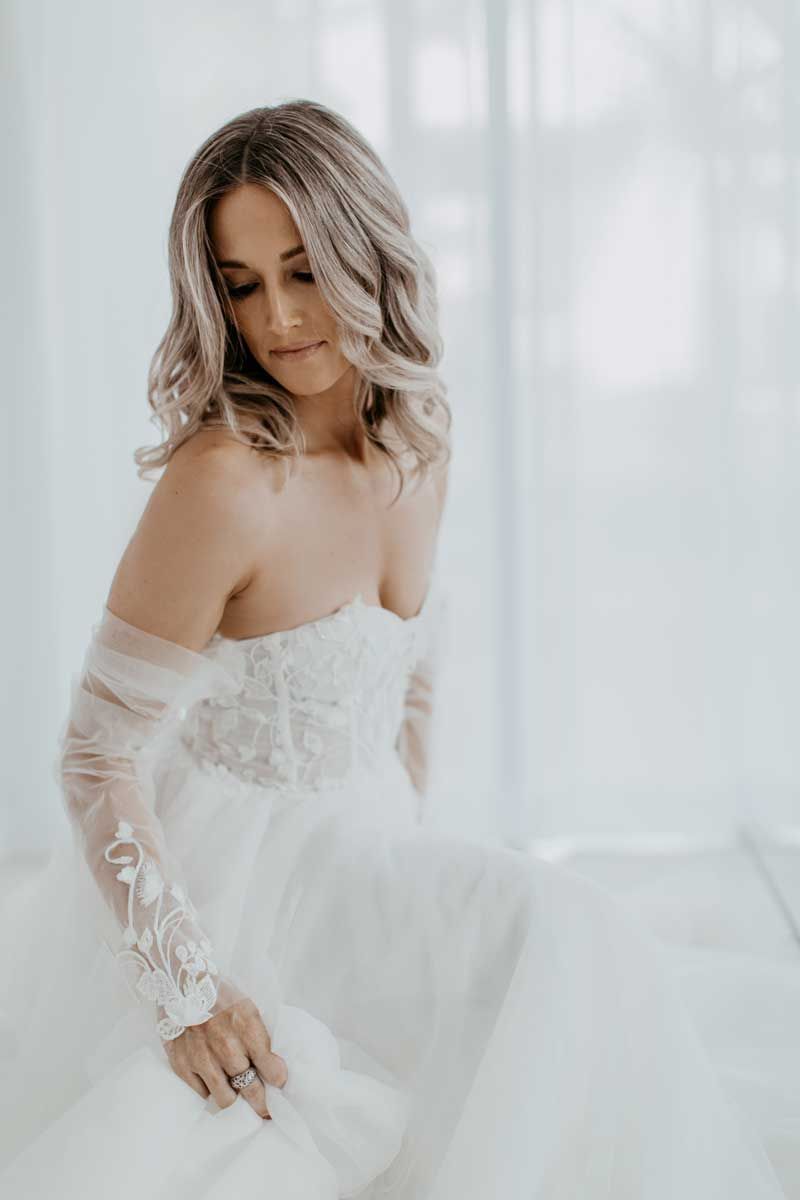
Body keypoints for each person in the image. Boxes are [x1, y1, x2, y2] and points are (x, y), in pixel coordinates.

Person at [0, 99, 796, 1199]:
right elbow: (94, 757)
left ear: (365, 249)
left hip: (372, 852)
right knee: (565, 931)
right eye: (240, 284)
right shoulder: (225, 480)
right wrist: (186, 991)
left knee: (582, 996)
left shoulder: (417, 436)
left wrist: (415, 860)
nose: (277, 318)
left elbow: (408, 675)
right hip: (249, 883)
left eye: (303, 268)